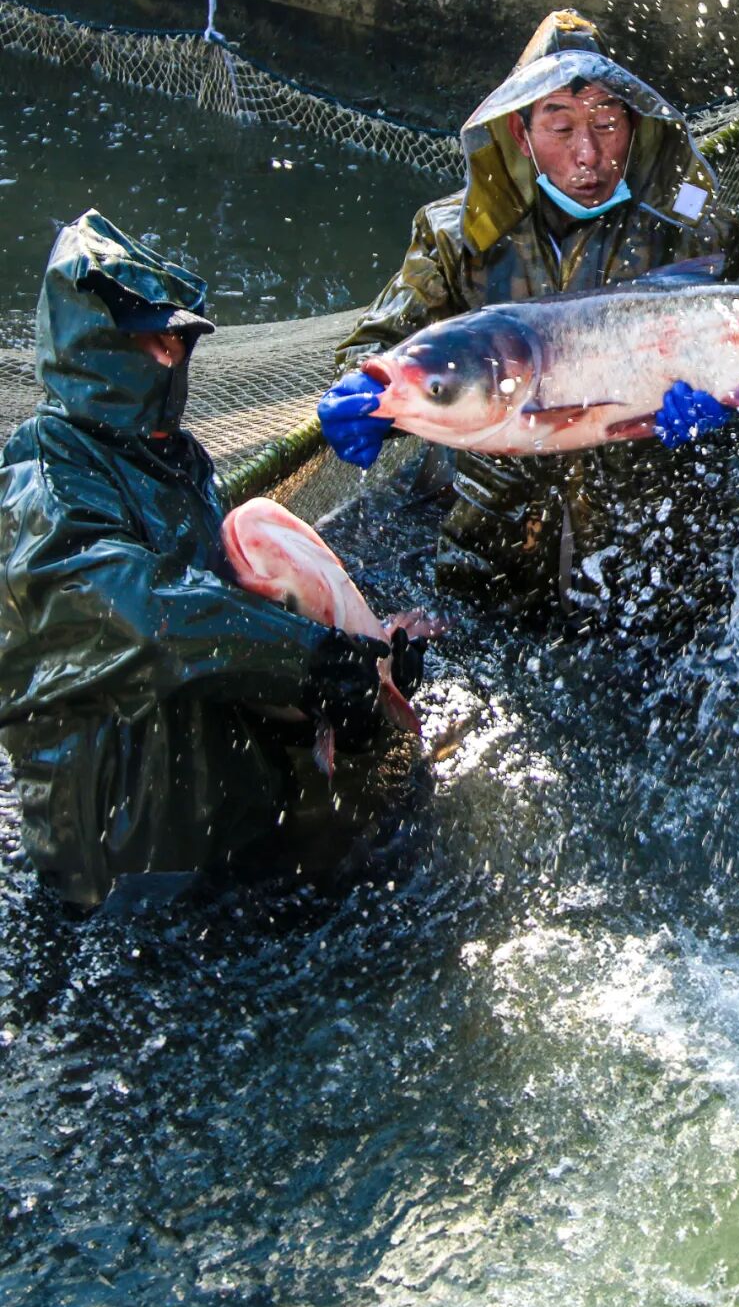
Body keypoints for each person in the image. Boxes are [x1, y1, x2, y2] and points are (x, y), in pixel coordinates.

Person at [0, 211, 424, 908]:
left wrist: (364, 653)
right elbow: (143, 617)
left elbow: (231, 600)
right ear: (94, 348)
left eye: (179, 340)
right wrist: (315, 658)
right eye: (151, 341)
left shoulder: (177, 457)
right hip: (124, 856)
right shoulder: (42, 474)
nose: (174, 356)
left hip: (223, 818)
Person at [319, 9, 739, 628]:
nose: (588, 154)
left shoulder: (695, 230)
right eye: (561, 128)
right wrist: (360, 393)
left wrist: (725, 416)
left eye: (607, 123)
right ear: (522, 136)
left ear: (634, 124)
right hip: (494, 552)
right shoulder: (452, 234)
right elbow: (380, 342)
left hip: (660, 550)